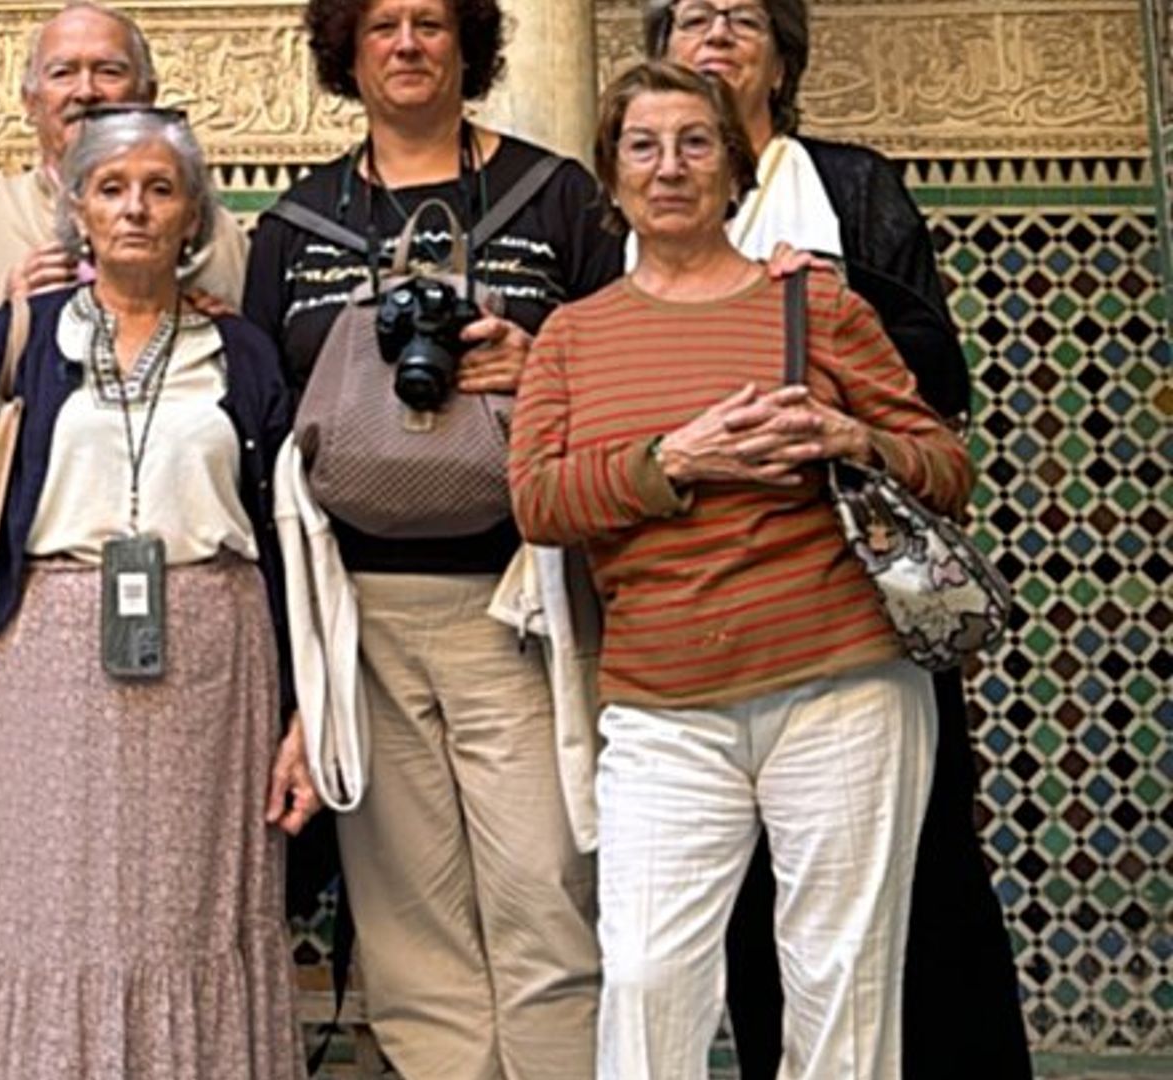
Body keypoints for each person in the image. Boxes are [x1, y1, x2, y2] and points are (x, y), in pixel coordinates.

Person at [511, 60, 976, 1079]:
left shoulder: (817, 306)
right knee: (644, 980)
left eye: (696, 144)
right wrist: (676, 460)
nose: (669, 167)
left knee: (840, 985)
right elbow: (539, 501)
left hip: (844, 682)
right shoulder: (571, 338)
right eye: (643, 146)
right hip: (662, 702)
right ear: (612, 175)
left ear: (736, 171)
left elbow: (945, 469)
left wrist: (847, 433)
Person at [0, 107, 317, 1080]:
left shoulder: (243, 356)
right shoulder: (12, 338)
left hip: (211, 668)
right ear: (76, 207)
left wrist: (304, 713)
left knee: (185, 918)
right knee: (34, 911)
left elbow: (285, 541)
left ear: (195, 215)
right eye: (112, 188)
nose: (136, 208)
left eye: (161, 188)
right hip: (37, 664)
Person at [639, 1, 1033, 1074]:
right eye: (692, 15)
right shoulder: (628, 202)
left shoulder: (850, 186)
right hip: (695, 605)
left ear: (783, 52)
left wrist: (811, 354)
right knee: (753, 905)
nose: (716, 33)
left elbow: (936, 381)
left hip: (855, 596)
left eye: (743, 15)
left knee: (919, 874)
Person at [243, 0, 621, 1075]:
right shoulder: (296, 223)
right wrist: (291, 675)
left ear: (469, 45)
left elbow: (636, 364)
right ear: (346, 52)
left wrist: (538, 359)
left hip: (520, 601)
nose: (407, 44)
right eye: (382, 26)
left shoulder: (558, 201)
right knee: (409, 917)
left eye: (430, 21)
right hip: (356, 609)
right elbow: (262, 426)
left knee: (544, 886)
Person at [0, 0, 250, 399]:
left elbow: (256, 377)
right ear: (31, 102)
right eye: (63, 73)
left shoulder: (211, 229)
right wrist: (2, 326)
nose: (86, 91)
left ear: (147, 94)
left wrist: (218, 334)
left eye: (109, 71)